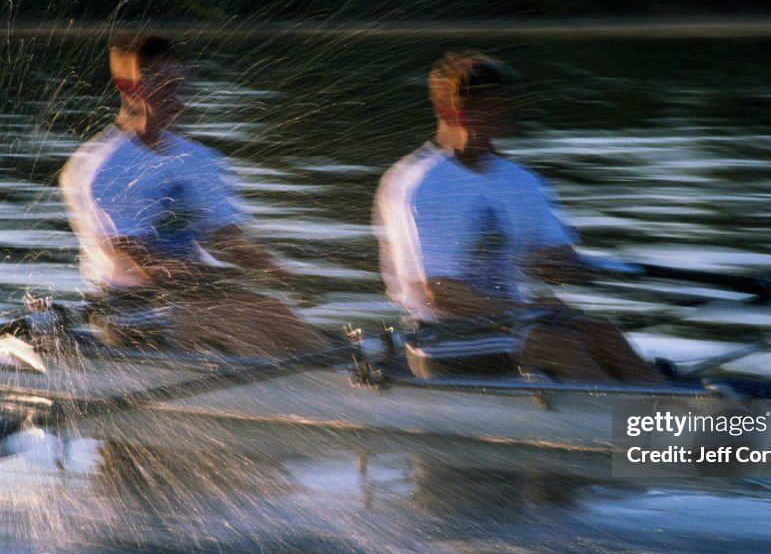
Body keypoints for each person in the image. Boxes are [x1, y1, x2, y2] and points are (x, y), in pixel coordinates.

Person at [374, 51, 664, 383]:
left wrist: (560, 266)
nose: (497, 121)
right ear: (447, 111)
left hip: (511, 325)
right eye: (482, 109)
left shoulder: (521, 181)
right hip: (444, 338)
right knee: (560, 344)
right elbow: (439, 293)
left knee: (603, 332)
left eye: (502, 108)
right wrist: (527, 312)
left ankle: (675, 420)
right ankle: (625, 425)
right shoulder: (420, 183)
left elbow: (557, 261)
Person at [60, 34, 328, 357]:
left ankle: (345, 386)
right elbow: (145, 262)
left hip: (195, 297)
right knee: (238, 324)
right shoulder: (102, 168)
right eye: (163, 86)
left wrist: (283, 273)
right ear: (129, 86)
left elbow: (226, 239)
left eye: (180, 85)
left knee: (277, 314)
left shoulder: (199, 159)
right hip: (131, 310)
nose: (178, 98)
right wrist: (225, 282)